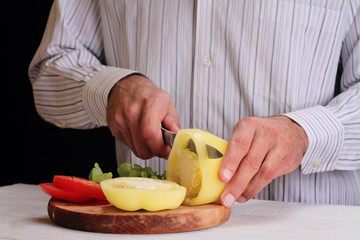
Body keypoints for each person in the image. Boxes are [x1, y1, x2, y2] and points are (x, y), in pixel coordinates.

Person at [29, 0, 360, 206]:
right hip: (148, 229)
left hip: (308, 227)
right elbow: (50, 70)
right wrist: (112, 88)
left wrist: (304, 135)